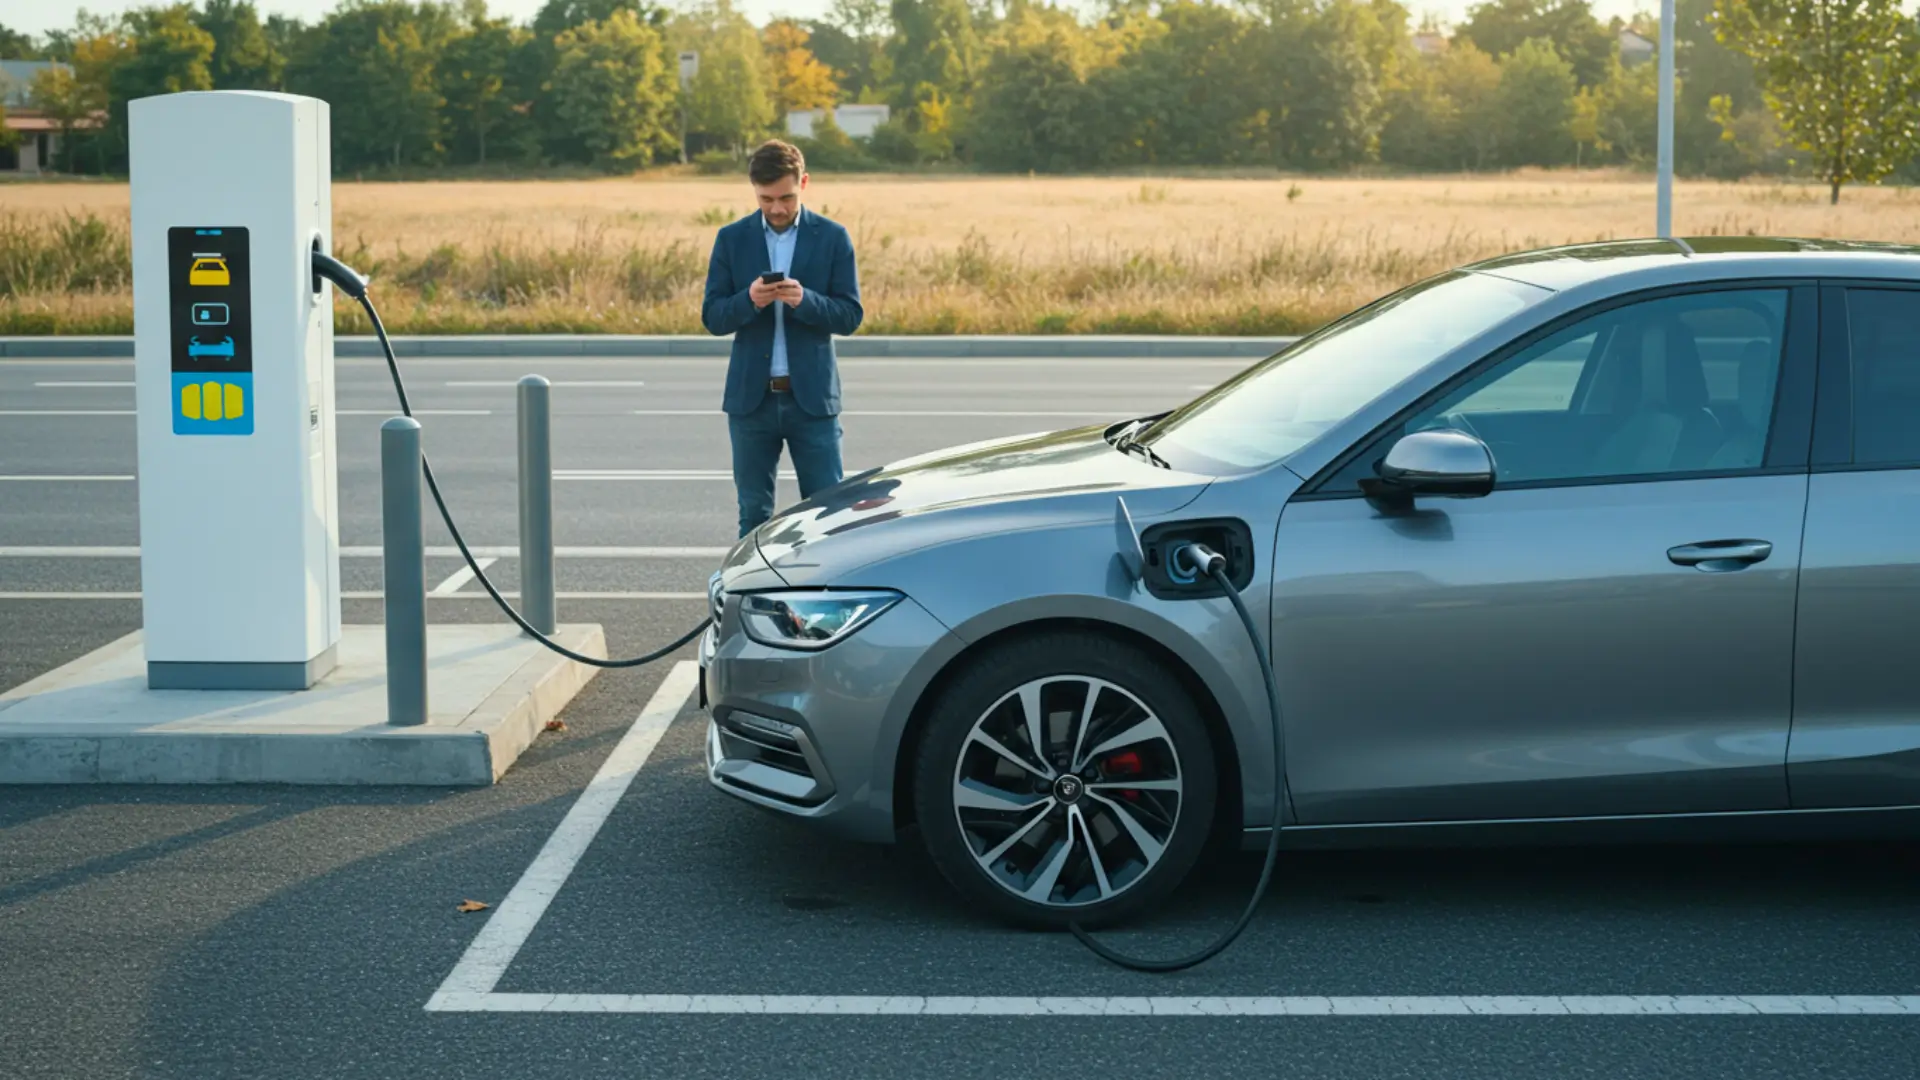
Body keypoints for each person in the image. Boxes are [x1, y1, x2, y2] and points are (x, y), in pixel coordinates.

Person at [702, 139, 864, 538]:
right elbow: (713, 317)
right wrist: (749, 300)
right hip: (750, 403)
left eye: (786, 197)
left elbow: (850, 316)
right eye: (766, 198)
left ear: (804, 183)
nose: (776, 208)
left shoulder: (832, 237)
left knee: (829, 516)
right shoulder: (732, 238)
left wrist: (806, 301)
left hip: (812, 403)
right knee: (753, 516)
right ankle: (750, 598)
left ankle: (826, 599)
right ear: (753, 190)